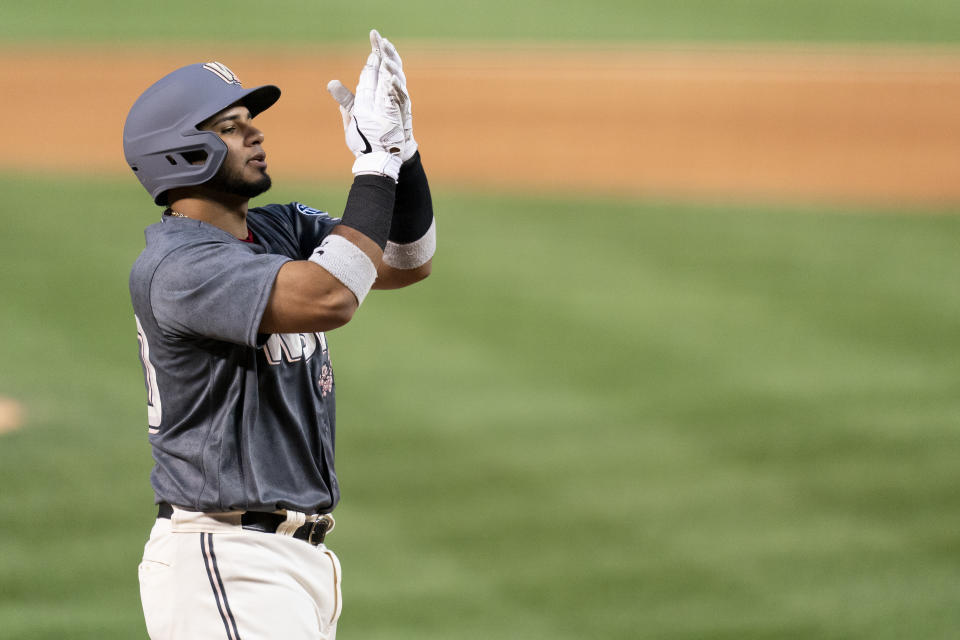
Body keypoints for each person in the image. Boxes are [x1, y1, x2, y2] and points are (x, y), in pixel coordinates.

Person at [122, 30, 435, 640]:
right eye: (230, 126)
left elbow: (406, 260)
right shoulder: (178, 269)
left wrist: (401, 152)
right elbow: (332, 296)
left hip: (295, 561)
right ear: (182, 152)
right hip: (225, 557)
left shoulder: (281, 228)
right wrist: (371, 166)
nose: (255, 133)